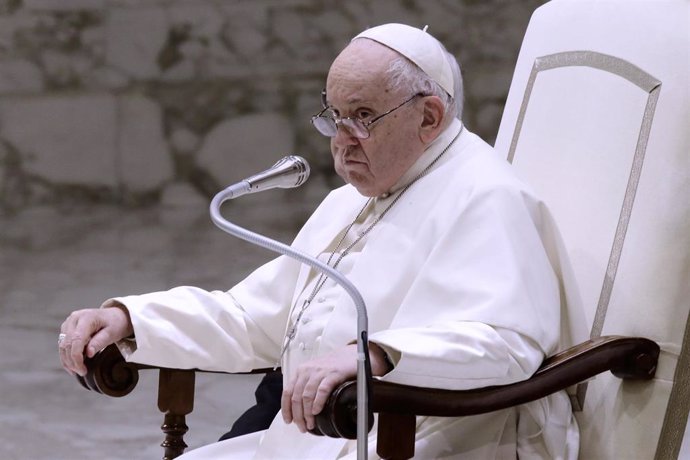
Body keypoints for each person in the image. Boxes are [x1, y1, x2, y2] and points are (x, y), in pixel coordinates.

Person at [59, 23, 580, 459]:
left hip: (414, 441)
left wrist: (376, 355)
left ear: (428, 118)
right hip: (311, 439)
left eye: (363, 117)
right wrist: (132, 320)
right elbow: (254, 319)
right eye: (333, 115)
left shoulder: (488, 195)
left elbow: (506, 343)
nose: (340, 138)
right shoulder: (351, 200)